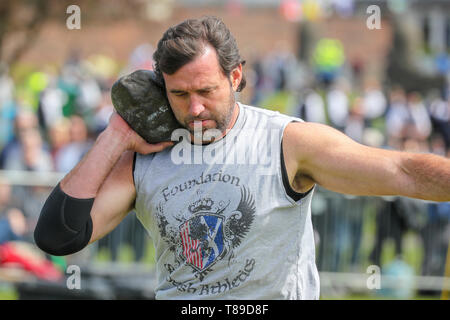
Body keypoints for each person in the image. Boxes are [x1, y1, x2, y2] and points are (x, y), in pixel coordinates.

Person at [34, 16, 450, 300]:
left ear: (235, 77)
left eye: (206, 91)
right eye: (179, 95)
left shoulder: (286, 142)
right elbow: (59, 236)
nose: (194, 108)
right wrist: (116, 135)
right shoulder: (147, 157)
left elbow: (402, 171)